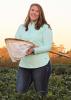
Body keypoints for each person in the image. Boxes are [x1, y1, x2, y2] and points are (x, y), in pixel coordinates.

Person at [15, 3, 53, 99]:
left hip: (41, 65)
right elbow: (16, 43)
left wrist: (33, 50)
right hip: (24, 65)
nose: (34, 12)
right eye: (32, 10)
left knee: (41, 94)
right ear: (29, 11)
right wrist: (16, 53)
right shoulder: (21, 27)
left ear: (40, 14)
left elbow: (48, 46)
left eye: (37, 11)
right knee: (20, 92)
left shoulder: (45, 27)